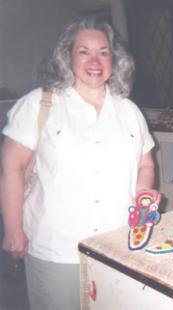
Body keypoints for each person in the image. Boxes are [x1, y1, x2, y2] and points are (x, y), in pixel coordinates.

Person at [0, 15, 160, 310]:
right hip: (57, 248)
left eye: (103, 52)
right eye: (83, 51)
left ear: (115, 59)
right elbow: (12, 167)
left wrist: (142, 195)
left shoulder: (128, 111)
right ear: (67, 57)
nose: (95, 60)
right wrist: (13, 229)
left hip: (117, 246)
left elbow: (145, 164)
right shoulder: (39, 104)